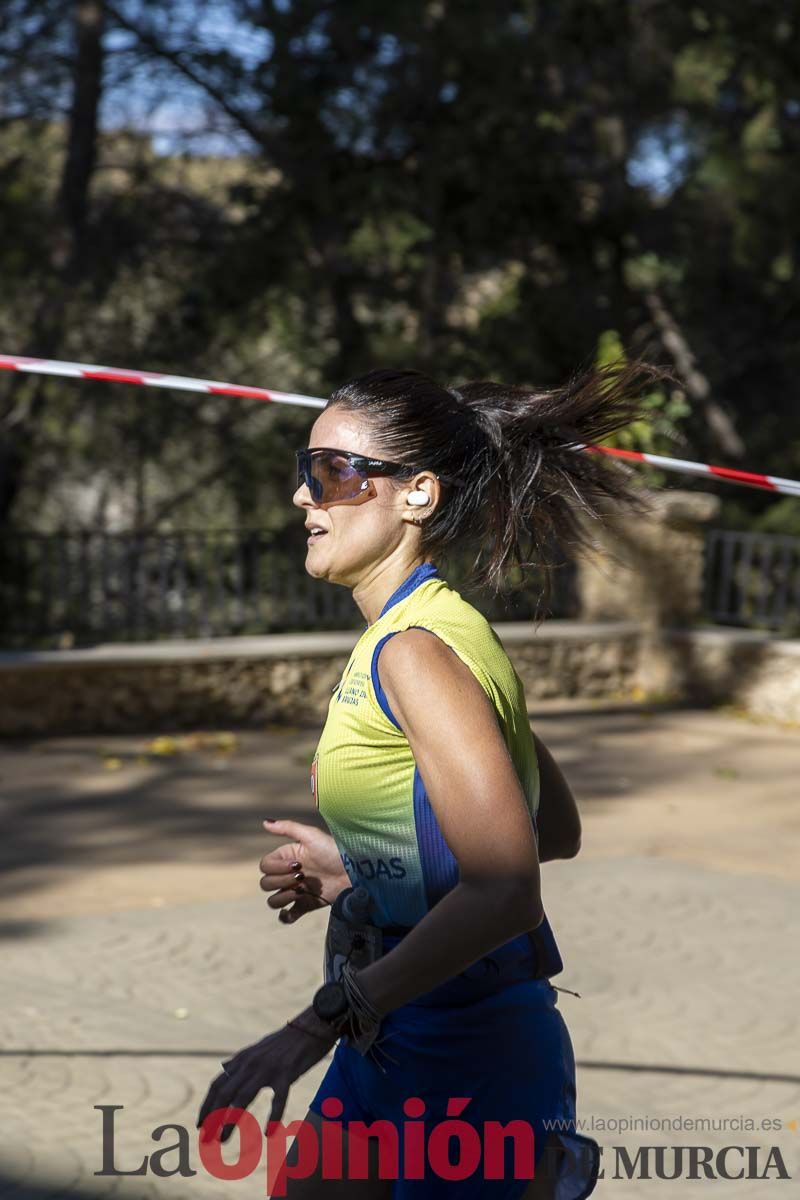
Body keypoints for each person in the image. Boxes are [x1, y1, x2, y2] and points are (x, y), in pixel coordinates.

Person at [197, 361, 666, 1197]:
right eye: (304, 471)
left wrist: (316, 1024)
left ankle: (545, 1168)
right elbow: (550, 828)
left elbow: (506, 887)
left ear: (416, 494)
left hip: (468, 1053)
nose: (304, 496)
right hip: (399, 1034)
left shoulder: (417, 650)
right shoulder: (432, 631)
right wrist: (364, 868)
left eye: (332, 472)